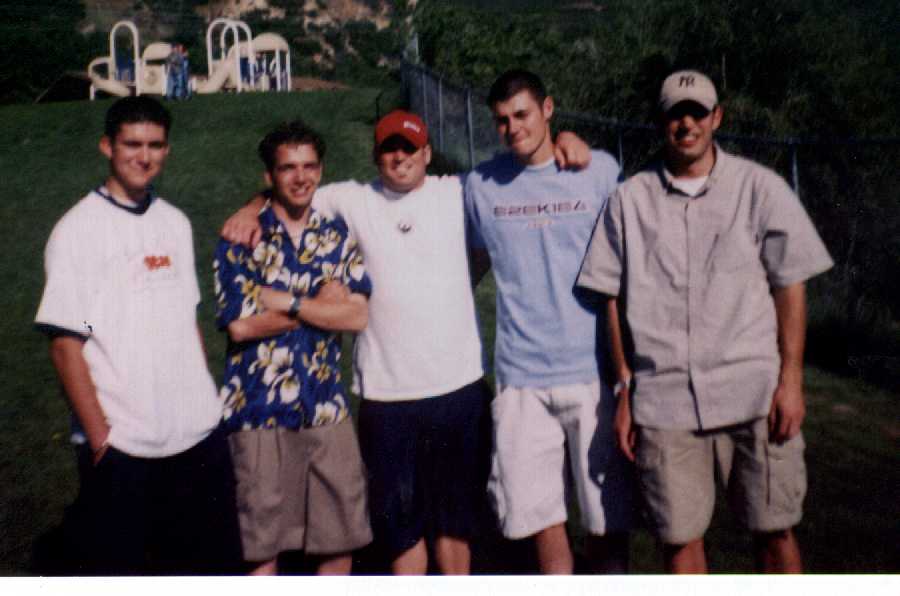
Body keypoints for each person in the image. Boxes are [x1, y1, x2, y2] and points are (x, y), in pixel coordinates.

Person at [220, 111, 591, 575]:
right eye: (389, 149)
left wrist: (565, 140)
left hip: (458, 389)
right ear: (376, 156)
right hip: (386, 395)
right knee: (401, 528)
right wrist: (250, 205)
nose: (399, 157)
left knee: (454, 526)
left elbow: (523, 168)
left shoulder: (457, 193)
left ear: (427, 154)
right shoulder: (350, 200)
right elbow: (290, 187)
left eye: (409, 148)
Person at [576, 69, 834, 573]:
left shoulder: (761, 189)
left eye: (697, 113)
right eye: (676, 114)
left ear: (717, 118)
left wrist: (792, 381)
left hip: (753, 393)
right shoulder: (629, 200)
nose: (687, 124)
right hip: (665, 400)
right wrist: (625, 388)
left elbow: (791, 286)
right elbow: (609, 297)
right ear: (661, 122)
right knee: (678, 539)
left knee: (774, 530)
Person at [34, 96, 241, 575]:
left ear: (167, 150)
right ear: (108, 146)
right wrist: (104, 440)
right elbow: (68, 342)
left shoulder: (174, 222)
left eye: (155, 145)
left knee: (212, 570)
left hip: (196, 434)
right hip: (126, 446)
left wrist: (203, 403)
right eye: (132, 144)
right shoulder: (79, 230)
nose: (143, 156)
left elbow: (185, 320)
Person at [464, 69, 632, 574]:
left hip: (592, 374)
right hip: (520, 381)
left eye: (522, 114)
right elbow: (464, 267)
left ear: (548, 109)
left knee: (606, 522)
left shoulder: (599, 171)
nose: (513, 128)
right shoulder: (480, 186)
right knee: (542, 519)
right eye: (501, 120)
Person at [214, 121, 373, 575]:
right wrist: (322, 305)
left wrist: (289, 301)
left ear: (321, 171)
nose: (300, 178)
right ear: (269, 176)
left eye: (309, 167)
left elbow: (357, 316)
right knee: (263, 548)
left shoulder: (336, 236)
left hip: (326, 407)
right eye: (288, 168)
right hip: (259, 410)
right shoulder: (241, 237)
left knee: (339, 541)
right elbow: (241, 326)